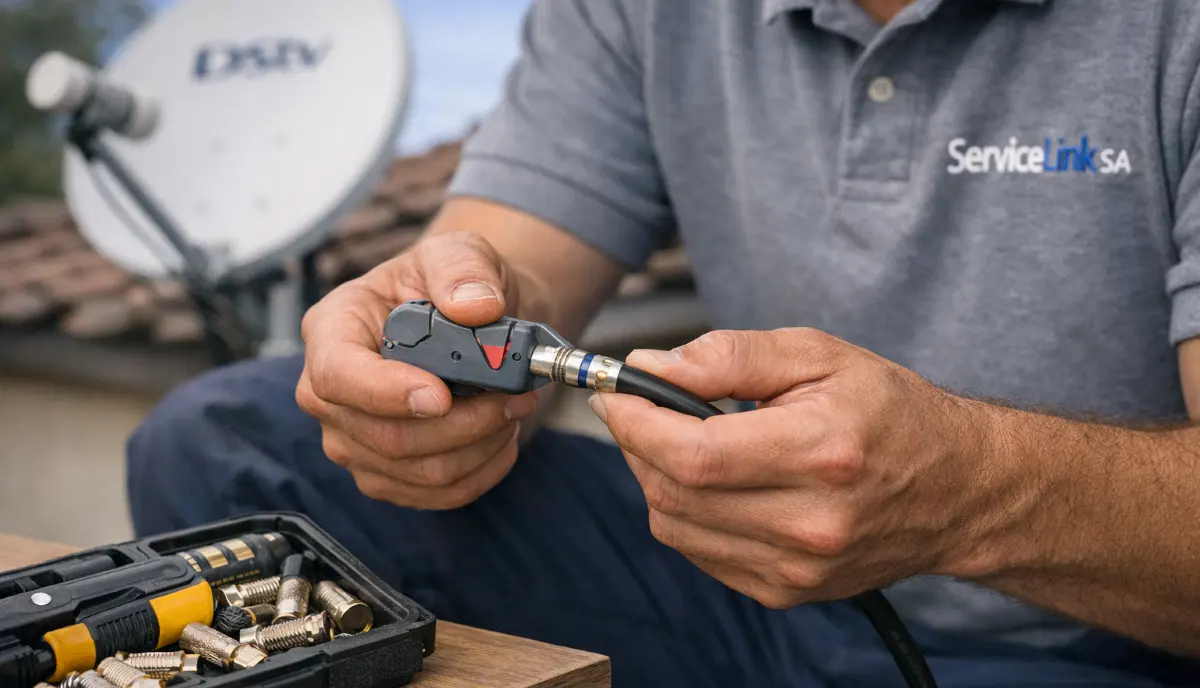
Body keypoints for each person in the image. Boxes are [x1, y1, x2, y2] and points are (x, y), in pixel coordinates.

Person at [127, 0, 1200, 685]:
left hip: (1096, 645)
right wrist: (431, 338)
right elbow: (502, 260)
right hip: (735, 592)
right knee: (235, 441)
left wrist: (974, 492)